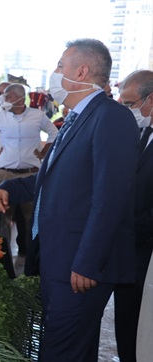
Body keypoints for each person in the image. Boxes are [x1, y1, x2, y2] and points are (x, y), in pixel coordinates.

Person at [0, 38, 139, 361]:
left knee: (59, 352)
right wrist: (8, 189)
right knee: (73, 350)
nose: (55, 74)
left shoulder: (111, 118)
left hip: (80, 268)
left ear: (82, 71)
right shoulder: (74, 118)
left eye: (60, 66)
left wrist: (89, 262)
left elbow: (109, 199)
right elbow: (54, 178)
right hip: (58, 261)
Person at [0, 83, 58, 256]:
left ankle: (31, 256)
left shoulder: (37, 115)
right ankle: (3, 256)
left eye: (8, 97)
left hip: (31, 174)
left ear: (20, 98)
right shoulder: (0, 116)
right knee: (4, 218)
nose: (3, 100)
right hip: (6, 172)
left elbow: (54, 134)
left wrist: (44, 152)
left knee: (32, 218)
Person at [113, 69, 153, 362]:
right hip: (130, 251)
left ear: (150, 100)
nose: (126, 110)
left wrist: (127, 228)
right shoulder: (143, 134)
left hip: (145, 250)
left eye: (129, 103)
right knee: (127, 323)